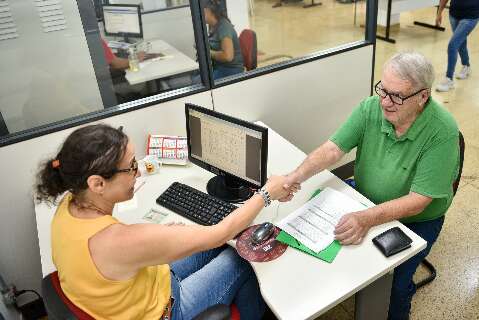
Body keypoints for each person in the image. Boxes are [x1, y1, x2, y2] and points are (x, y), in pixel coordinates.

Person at [36, 124, 294, 320]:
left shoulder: (69, 204)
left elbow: (121, 250)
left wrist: (159, 240)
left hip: (141, 286)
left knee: (217, 246)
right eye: (131, 167)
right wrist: (267, 193)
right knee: (239, 256)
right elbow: (220, 232)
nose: (138, 172)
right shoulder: (117, 241)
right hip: (167, 309)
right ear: (97, 183)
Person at [281, 52, 460, 320]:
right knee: (321, 243)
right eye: (383, 90)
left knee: (394, 287)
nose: (385, 102)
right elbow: (333, 149)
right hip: (363, 198)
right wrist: (296, 175)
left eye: (397, 96)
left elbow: (419, 201)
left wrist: (366, 218)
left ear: (423, 97)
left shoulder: (442, 131)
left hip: (417, 219)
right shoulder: (370, 108)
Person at [435, 0, 479, 92]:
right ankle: (466, 66)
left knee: (453, 45)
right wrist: (439, 12)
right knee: (460, 43)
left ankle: (449, 79)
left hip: (471, 17)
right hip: (454, 15)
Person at [203, 0, 244, 80]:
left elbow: (228, 56)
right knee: (196, 77)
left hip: (230, 70)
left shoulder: (224, 27)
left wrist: (209, 53)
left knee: (201, 82)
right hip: (219, 66)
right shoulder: (213, 25)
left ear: (209, 11)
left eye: (202, 11)